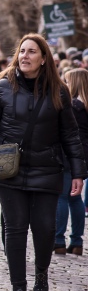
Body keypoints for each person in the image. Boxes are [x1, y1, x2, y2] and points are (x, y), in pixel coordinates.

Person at [0, 33, 86, 291]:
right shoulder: (3, 87)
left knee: (44, 228)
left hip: (47, 169)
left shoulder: (59, 91)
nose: (25, 56)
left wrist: (78, 171)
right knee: (15, 230)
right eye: (22, 51)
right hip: (10, 170)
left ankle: (41, 271)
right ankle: (17, 289)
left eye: (32, 52)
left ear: (44, 58)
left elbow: (70, 134)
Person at [55, 68, 88, 256]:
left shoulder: (74, 106)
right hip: (83, 156)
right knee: (76, 199)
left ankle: (58, 239)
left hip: (69, 155)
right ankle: (77, 241)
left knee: (62, 196)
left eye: (66, 81)